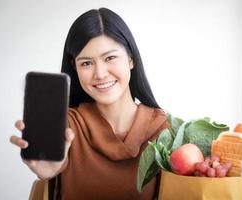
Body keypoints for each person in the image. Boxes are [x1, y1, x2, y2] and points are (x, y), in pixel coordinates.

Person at [10, 8, 168, 200]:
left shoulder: (167, 130)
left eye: (110, 58)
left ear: (131, 59)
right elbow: (54, 164)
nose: (100, 74)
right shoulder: (65, 125)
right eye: (86, 63)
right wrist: (49, 169)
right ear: (74, 67)